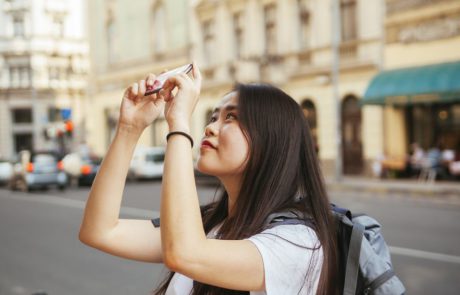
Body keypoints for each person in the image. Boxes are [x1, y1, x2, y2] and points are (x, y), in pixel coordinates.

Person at [79, 63, 338, 294]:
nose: (210, 127)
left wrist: (179, 123)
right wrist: (129, 127)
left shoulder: (298, 244)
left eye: (231, 117)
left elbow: (183, 253)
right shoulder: (213, 225)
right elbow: (100, 231)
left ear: (272, 141)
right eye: (214, 116)